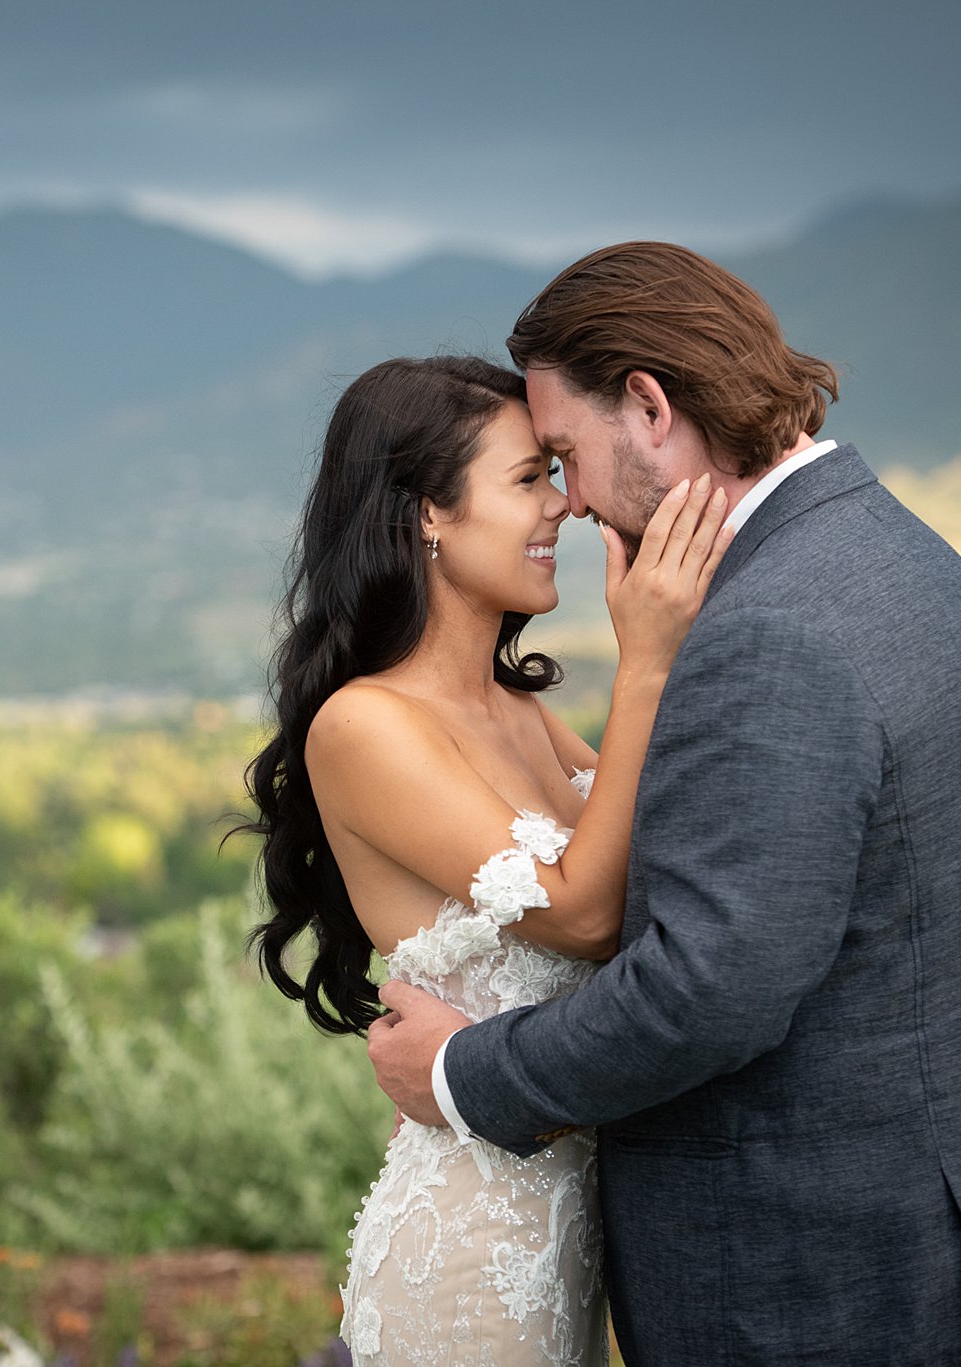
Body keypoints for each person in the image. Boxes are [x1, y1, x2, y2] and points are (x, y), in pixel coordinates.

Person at [365, 243, 961, 1366]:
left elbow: (706, 992)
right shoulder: (898, 556)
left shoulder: (767, 632)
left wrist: (459, 1072)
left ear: (650, 407)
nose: (568, 501)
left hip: (816, 1288)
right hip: (949, 1248)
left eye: (564, 453)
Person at [241, 352, 732, 1366]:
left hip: (578, 1242)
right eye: (527, 478)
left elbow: (661, 868)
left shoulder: (521, 714)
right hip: (466, 1261)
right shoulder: (363, 724)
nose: (563, 506)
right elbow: (587, 914)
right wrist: (643, 660)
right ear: (427, 512)